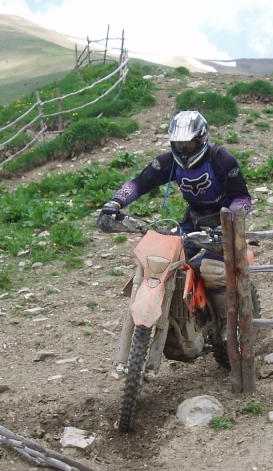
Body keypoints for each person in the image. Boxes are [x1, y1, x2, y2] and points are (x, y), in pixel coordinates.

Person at [98, 109, 252, 321]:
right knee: (164, 262)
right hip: (193, 221)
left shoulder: (221, 160)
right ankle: (176, 316)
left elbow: (243, 198)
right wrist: (116, 201)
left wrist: (230, 220)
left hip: (222, 227)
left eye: (189, 144)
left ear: (202, 138)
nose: (184, 149)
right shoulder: (168, 161)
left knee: (212, 272)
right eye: (179, 144)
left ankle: (227, 326)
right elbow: (140, 182)